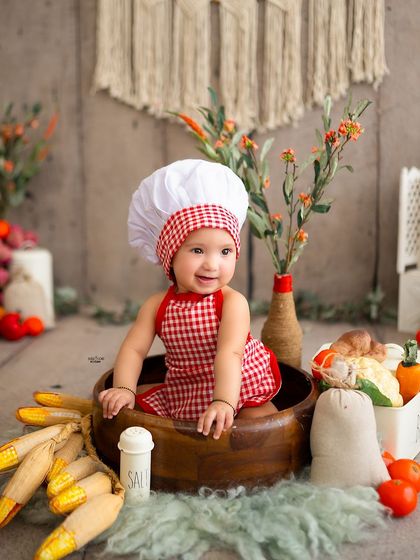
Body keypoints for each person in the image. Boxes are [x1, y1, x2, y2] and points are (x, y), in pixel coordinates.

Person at [99, 159, 281, 439]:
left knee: (257, 423)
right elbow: (134, 350)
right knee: (139, 415)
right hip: (186, 387)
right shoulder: (157, 306)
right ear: (169, 257)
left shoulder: (232, 303)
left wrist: (224, 402)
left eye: (224, 252)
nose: (212, 264)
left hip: (235, 384)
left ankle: (239, 426)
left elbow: (229, 354)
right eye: (197, 250)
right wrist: (124, 388)